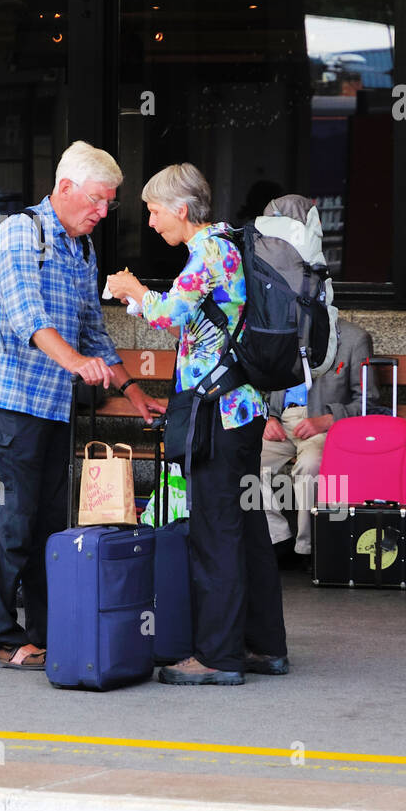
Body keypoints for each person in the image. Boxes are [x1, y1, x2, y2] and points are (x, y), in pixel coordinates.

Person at [0, 141, 165, 671]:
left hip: (56, 409)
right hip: (9, 406)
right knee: (6, 526)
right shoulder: (19, 234)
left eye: (110, 204)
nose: (104, 212)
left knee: (48, 529)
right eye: (98, 201)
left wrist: (131, 389)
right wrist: (75, 362)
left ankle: (46, 631)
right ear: (64, 189)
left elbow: (91, 329)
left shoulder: (81, 248)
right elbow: (25, 315)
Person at [107, 162, 288, 685]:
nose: (151, 220)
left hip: (219, 414)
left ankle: (218, 656)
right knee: (246, 526)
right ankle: (262, 645)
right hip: (241, 409)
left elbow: (169, 311)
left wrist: (131, 289)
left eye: (154, 210)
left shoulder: (210, 250)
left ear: (181, 209)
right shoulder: (226, 245)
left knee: (215, 531)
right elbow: (195, 316)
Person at [263, 319, 375, 563]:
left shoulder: (354, 338)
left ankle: (308, 548)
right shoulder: (282, 330)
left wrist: (328, 419)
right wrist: (268, 416)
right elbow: (262, 385)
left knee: (310, 466)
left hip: (324, 426)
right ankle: (278, 540)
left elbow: (368, 402)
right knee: (244, 460)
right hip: (280, 422)